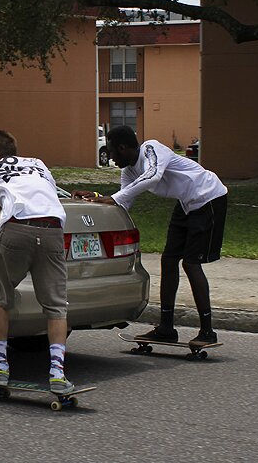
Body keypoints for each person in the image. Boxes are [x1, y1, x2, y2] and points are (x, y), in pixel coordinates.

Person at [73, 126, 228, 346]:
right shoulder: (128, 171)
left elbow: (152, 176)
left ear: (123, 147)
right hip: (186, 203)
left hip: (208, 197)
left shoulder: (151, 149)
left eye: (112, 153)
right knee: (169, 260)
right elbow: (123, 202)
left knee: (191, 264)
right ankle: (166, 328)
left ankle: (207, 331)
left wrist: (114, 198)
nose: (111, 159)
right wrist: (96, 198)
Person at [0, 130, 73, 393]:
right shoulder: (39, 164)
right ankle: (57, 373)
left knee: (2, 299)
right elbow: (43, 194)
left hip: (17, 230)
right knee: (56, 306)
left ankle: (0, 370)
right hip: (53, 230)